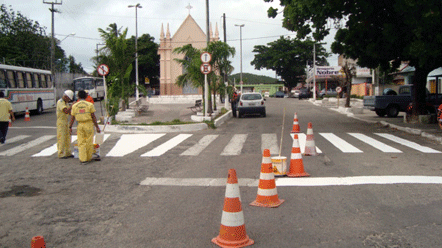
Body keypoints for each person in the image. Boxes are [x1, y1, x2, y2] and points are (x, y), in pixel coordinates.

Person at [69, 90, 101, 164]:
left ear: (78, 97)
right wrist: (97, 127)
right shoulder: (89, 105)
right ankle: (88, 157)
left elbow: (72, 118)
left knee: (81, 142)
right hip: (88, 124)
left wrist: (70, 127)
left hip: (80, 125)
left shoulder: (75, 106)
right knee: (89, 141)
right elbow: (93, 116)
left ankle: (83, 159)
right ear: (86, 96)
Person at [57, 90, 74, 158]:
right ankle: (61, 153)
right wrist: (71, 106)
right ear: (66, 97)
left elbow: (70, 113)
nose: (69, 100)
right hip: (61, 122)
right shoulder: (60, 102)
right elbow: (66, 111)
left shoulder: (65, 103)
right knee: (62, 137)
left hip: (66, 121)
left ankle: (68, 152)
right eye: (69, 99)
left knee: (67, 137)